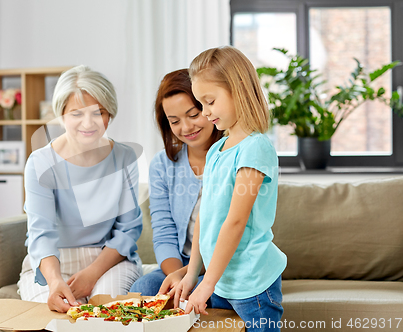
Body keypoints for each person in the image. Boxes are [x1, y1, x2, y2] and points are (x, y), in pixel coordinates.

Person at [173, 46, 287, 332]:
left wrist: (206, 285)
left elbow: (235, 222)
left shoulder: (256, 148)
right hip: (222, 280)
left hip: (252, 283)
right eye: (201, 103)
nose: (205, 111)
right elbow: (205, 216)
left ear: (237, 89)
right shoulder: (216, 151)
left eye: (210, 101)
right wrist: (193, 273)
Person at [17, 65, 143, 313]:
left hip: (108, 261)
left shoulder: (125, 157)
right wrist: (55, 281)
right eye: (76, 113)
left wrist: (92, 273)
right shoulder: (41, 162)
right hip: (53, 262)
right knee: (54, 321)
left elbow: (128, 229)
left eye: (99, 113)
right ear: (61, 115)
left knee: (106, 316)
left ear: (110, 115)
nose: (89, 123)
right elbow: (41, 233)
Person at [129, 69, 223, 297]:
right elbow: (164, 232)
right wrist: (179, 278)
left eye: (193, 115)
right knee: (143, 289)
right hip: (182, 264)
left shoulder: (231, 155)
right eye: (175, 121)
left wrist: (192, 276)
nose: (186, 128)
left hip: (224, 263)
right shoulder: (162, 164)